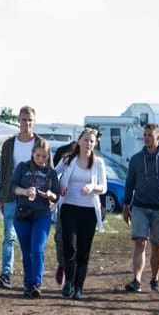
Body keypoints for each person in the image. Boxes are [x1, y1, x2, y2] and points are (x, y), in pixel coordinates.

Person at [122, 123, 159, 293]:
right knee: (140, 242)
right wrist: (126, 205)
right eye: (145, 135)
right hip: (139, 205)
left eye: (150, 135)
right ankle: (136, 280)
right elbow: (129, 184)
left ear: (158, 138)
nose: (147, 138)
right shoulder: (136, 159)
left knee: (156, 244)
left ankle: (155, 279)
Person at [54, 128, 106, 299]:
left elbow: (103, 187)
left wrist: (93, 187)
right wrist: (60, 186)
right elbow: (54, 174)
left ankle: (79, 288)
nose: (88, 144)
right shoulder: (69, 160)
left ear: (95, 143)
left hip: (89, 210)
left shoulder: (98, 163)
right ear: (79, 141)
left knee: (84, 251)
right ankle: (69, 281)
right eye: (85, 140)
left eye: (92, 141)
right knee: (70, 247)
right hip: (69, 207)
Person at [9, 137, 61, 298]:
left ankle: (37, 283)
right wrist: (25, 191)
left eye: (44, 156)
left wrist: (50, 195)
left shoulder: (51, 173)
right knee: (26, 252)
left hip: (42, 215)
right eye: (38, 156)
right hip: (23, 215)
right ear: (32, 154)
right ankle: (29, 283)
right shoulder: (22, 167)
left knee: (37, 249)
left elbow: (56, 196)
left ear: (48, 156)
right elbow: (12, 187)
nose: (41, 159)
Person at [0, 106, 40, 288]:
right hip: (12, 196)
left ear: (34, 122)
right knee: (9, 236)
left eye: (30, 120)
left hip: (35, 199)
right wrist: (2, 196)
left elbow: (49, 170)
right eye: (23, 120)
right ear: (18, 121)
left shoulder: (40, 143)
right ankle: (6, 273)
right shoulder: (9, 144)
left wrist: (50, 198)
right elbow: (4, 171)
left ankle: (31, 278)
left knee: (29, 240)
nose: (26, 123)